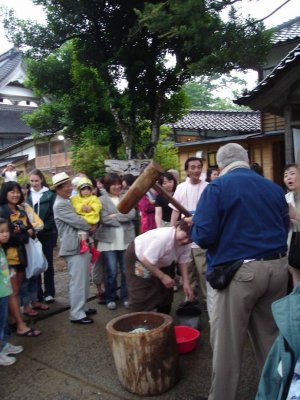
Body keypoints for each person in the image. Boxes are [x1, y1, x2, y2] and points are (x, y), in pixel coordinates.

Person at [190, 143, 289, 400]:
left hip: (241, 274)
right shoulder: (273, 188)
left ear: (220, 166)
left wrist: (194, 225)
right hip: (278, 268)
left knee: (227, 347)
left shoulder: (217, 188)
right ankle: (277, 393)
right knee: (270, 339)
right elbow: (282, 225)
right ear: (247, 160)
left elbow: (204, 236)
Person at [52, 172, 96, 324]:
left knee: (83, 279)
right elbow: (78, 221)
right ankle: (76, 313)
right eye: (66, 186)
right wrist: (91, 226)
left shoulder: (67, 201)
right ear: (58, 188)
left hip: (79, 245)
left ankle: (82, 308)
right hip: (73, 246)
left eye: (70, 185)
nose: (70, 188)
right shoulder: (60, 204)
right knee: (77, 281)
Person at [125, 219, 194, 314]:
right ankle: (136, 320)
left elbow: (183, 260)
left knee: (166, 289)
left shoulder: (187, 243)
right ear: (177, 228)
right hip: (140, 257)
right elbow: (146, 260)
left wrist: (186, 282)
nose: (185, 241)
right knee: (141, 290)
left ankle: (164, 319)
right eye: (184, 236)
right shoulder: (163, 238)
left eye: (189, 239)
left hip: (163, 260)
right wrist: (162, 276)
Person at [0, 182, 41, 337]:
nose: (16, 194)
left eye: (18, 192)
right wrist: (24, 234)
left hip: (21, 257)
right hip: (7, 259)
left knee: (14, 292)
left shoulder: (21, 211)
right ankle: (20, 325)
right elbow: (8, 238)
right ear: (5, 193)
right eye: (12, 192)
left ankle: (12, 322)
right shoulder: (2, 213)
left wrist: (23, 233)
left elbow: (32, 231)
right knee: (13, 292)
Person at [95, 173, 136, 310]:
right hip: (109, 241)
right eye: (113, 184)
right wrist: (122, 217)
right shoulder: (101, 200)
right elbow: (104, 219)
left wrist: (115, 216)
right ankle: (110, 297)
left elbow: (132, 214)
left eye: (119, 183)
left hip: (125, 239)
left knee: (126, 270)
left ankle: (125, 296)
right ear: (107, 186)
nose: (117, 186)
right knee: (111, 271)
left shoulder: (125, 197)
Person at [170, 157, 208, 301]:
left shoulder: (208, 186)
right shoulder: (181, 187)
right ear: (186, 170)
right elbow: (174, 210)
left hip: (201, 233)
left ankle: (207, 297)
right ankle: (190, 296)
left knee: (204, 269)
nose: (196, 170)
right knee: (187, 268)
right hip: (184, 233)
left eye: (199, 167)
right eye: (193, 167)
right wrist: (172, 231)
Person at [27, 169, 57, 303]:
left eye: (36, 181)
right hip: (33, 235)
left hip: (47, 234)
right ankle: (37, 293)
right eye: (32, 181)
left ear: (41, 180)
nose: (34, 183)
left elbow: (53, 215)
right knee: (36, 263)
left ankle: (49, 292)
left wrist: (43, 227)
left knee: (48, 263)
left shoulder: (50, 194)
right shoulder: (27, 195)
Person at [0, 218, 23, 366]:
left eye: (7, 231)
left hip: (4, 291)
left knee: (3, 322)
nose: (5, 234)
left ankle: (4, 344)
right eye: (1, 232)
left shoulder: (2, 248)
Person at [70, 177, 102, 262]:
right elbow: (75, 204)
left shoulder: (94, 198)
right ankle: (91, 247)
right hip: (84, 217)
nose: (86, 191)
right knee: (87, 234)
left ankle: (85, 244)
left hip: (91, 217)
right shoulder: (76, 198)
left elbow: (98, 205)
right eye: (83, 189)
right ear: (79, 190)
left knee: (83, 232)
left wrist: (91, 207)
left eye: (88, 189)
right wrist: (82, 207)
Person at [283, 163, 300, 286]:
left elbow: (294, 216)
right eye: (285, 175)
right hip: (293, 245)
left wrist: (296, 216)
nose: (288, 177)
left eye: (292, 174)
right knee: (296, 284)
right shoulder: (285, 198)